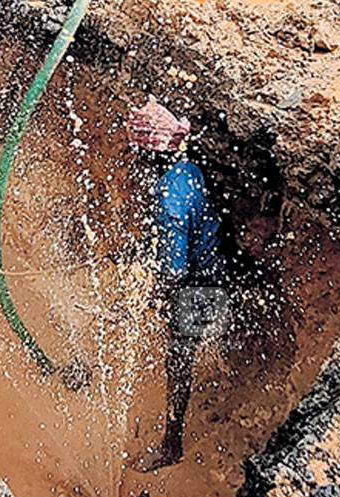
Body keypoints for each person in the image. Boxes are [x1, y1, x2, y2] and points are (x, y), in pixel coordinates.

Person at [128, 97, 223, 472]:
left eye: (137, 151)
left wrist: (146, 299)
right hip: (216, 268)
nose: (134, 159)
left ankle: (172, 446)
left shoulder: (167, 196)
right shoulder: (187, 170)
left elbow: (175, 271)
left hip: (200, 287)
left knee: (179, 360)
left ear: (150, 154)